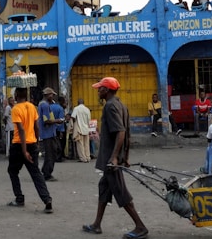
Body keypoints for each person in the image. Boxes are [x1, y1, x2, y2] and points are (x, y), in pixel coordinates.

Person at [83, 77, 148, 239]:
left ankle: (140, 227)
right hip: (114, 158)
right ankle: (97, 224)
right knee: (104, 188)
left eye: (100, 89)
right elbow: (127, 133)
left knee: (121, 192)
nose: (98, 91)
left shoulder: (110, 107)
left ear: (107, 90)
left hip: (111, 160)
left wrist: (114, 158)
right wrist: (125, 156)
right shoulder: (121, 105)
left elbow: (120, 132)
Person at [6, 87, 53, 214]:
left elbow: (21, 130)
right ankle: (47, 199)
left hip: (19, 145)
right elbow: (36, 126)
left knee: (12, 171)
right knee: (36, 173)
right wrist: (37, 142)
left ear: (16, 95)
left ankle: (19, 198)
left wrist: (24, 150)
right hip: (32, 143)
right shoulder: (32, 107)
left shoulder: (16, 109)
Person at [38, 87, 62, 181]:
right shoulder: (45, 105)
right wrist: (57, 121)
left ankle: (45, 170)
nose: (52, 97)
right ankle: (47, 173)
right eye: (51, 95)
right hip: (48, 133)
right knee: (51, 154)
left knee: (51, 152)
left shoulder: (43, 104)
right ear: (47, 95)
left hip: (48, 133)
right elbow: (46, 120)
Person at [72, 98, 91, 163]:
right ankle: (88, 157)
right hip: (86, 128)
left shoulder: (76, 108)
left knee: (80, 144)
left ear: (78, 103)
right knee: (86, 144)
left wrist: (74, 125)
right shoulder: (87, 109)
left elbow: (73, 117)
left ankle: (83, 158)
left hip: (79, 128)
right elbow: (89, 119)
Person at [52, 96, 67, 162]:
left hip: (51, 127)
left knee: (53, 143)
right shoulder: (60, 108)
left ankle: (53, 156)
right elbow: (61, 120)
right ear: (61, 102)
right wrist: (61, 131)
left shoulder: (50, 106)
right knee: (60, 143)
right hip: (58, 128)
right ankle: (59, 157)